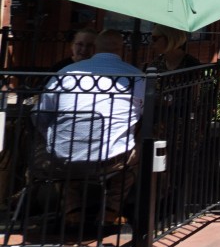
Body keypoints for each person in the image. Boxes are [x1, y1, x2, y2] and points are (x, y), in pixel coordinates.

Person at [32, 29, 144, 229]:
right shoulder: (136, 76)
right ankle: (110, 211)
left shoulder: (66, 73)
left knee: (59, 149)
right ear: (122, 49)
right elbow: (142, 114)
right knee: (137, 154)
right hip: (110, 162)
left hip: (61, 160)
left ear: (95, 48)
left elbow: (40, 114)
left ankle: (72, 211)